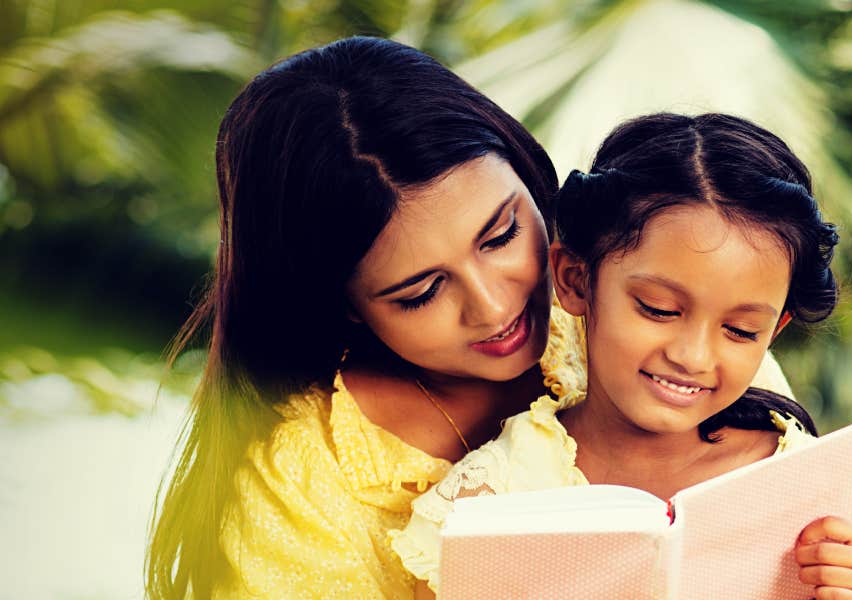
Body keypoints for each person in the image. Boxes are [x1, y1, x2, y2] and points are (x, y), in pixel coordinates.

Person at [145, 38, 795, 598]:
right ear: (343, 304)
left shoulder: (654, 311)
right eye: (421, 292)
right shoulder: (302, 484)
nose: (495, 306)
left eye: (501, 235)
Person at [392, 113, 852, 599]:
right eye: (658, 309)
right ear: (576, 279)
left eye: (739, 329)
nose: (692, 355)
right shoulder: (490, 497)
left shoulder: (802, 480)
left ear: (773, 332)